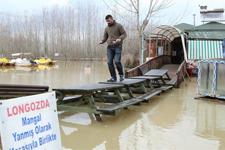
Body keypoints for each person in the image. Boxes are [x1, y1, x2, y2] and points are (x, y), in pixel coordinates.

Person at [100, 14, 127, 82]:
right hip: (109, 47)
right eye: (107, 21)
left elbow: (124, 34)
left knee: (117, 61)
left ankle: (121, 75)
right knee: (109, 62)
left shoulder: (119, 26)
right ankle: (113, 78)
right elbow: (105, 37)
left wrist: (120, 39)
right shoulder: (106, 28)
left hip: (118, 46)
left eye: (109, 21)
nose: (108, 22)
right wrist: (102, 41)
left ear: (112, 18)